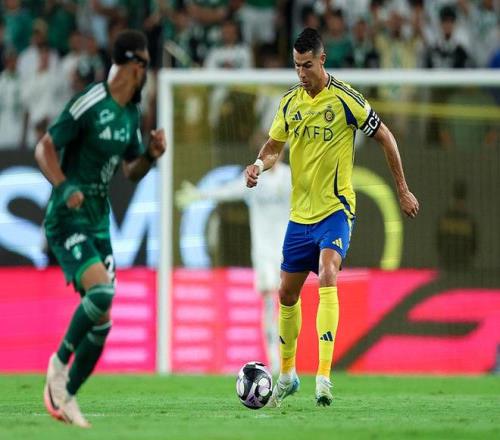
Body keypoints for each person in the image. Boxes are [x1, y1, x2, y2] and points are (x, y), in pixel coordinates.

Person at [245, 28, 419, 407]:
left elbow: (386, 136)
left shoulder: (346, 99)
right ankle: (288, 375)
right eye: (296, 66)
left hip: (336, 210)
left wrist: (402, 189)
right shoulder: (289, 102)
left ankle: (323, 378)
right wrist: (259, 163)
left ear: (322, 60)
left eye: (307, 65)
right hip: (300, 216)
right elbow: (274, 146)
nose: (301, 73)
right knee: (286, 293)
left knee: (327, 274)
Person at [34, 29, 166, 428]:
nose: (147, 74)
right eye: (145, 65)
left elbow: (131, 170)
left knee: (103, 319)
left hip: (98, 222)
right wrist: (64, 186)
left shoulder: (130, 116)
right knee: (103, 292)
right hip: (67, 218)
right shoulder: (90, 102)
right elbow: (44, 147)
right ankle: (58, 367)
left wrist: (150, 155)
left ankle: (66, 396)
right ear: (133, 65)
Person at [176, 154, 291, 374]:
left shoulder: (290, 177)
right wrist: (199, 195)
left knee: (288, 305)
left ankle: (288, 357)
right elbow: (227, 191)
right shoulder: (255, 177)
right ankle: (274, 360)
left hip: (287, 252)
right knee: (270, 305)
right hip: (264, 254)